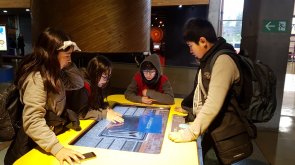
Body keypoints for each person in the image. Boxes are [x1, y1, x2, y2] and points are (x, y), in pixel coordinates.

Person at [4, 27, 85, 165]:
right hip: (34, 142)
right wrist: (57, 149)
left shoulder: (54, 73)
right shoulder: (36, 78)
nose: (70, 59)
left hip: (48, 136)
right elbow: (32, 121)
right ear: (52, 54)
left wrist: (68, 61)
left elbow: (77, 83)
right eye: (67, 56)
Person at [168, 18, 240, 163]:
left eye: (190, 45)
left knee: (211, 160)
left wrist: (190, 133)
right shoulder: (209, 59)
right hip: (213, 130)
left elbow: (213, 103)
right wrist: (190, 109)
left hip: (224, 134)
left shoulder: (223, 60)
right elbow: (201, 92)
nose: (190, 51)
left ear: (202, 41)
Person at [79, 55, 124, 123]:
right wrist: (104, 114)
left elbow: (98, 103)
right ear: (95, 73)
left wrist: (106, 108)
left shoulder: (97, 84)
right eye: (104, 77)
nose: (106, 81)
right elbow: (80, 113)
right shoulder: (83, 86)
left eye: (108, 77)